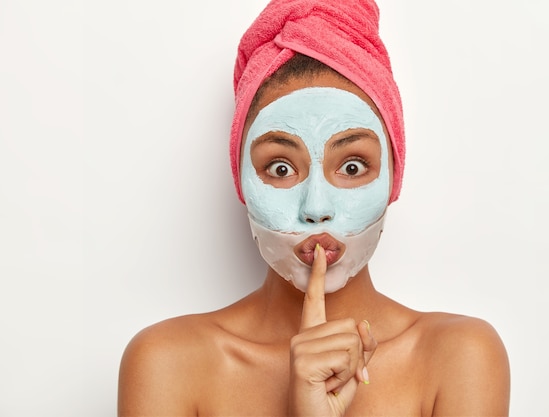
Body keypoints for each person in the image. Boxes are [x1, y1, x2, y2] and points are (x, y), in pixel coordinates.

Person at [118, 0, 510, 415]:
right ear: (241, 182)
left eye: (353, 166)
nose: (316, 209)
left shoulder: (459, 356)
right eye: (282, 167)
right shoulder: (168, 363)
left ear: (394, 177)